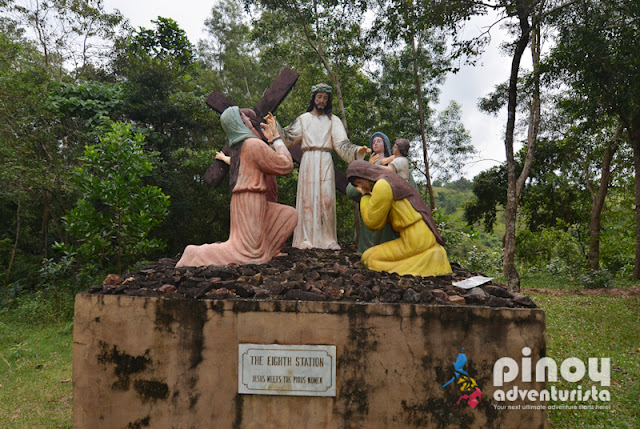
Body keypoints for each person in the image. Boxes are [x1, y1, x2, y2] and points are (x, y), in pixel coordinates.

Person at [176, 107, 297, 267]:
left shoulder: (242, 147)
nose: (248, 120)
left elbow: (269, 159)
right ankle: (194, 253)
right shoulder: (251, 144)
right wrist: (276, 138)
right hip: (249, 200)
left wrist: (270, 142)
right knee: (248, 253)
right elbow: (285, 166)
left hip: (253, 199)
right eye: (244, 118)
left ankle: (269, 250)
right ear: (239, 122)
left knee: (288, 215)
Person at [279, 83, 370, 250]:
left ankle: (328, 239)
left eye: (325, 98)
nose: (321, 100)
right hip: (308, 161)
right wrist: (275, 127)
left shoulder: (333, 121)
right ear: (314, 98)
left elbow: (342, 144)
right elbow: (288, 137)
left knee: (327, 200)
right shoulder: (303, 119)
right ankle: (306, 239)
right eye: (319, 97)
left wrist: (357, 150)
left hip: (325, 160)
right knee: (307, 200)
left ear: (328, 101)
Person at [347, 160, 452, 277]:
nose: (360, 187)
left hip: (415, 239)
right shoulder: (390, 179)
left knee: (369, 259)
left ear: (364, 175)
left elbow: (373, 223)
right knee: (367, 258)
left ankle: (416, 269)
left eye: (358, 182)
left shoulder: (382, 185)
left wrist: (365, 195)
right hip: (419, 235)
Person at [347, 131, 397, 253]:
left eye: (379, 141)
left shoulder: (395, 164)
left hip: (388, 208)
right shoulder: (366, 166)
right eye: (373, 142)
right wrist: (367, 170)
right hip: (371, 206)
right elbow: (351, 191)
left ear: (385, 144)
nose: (375, 143)